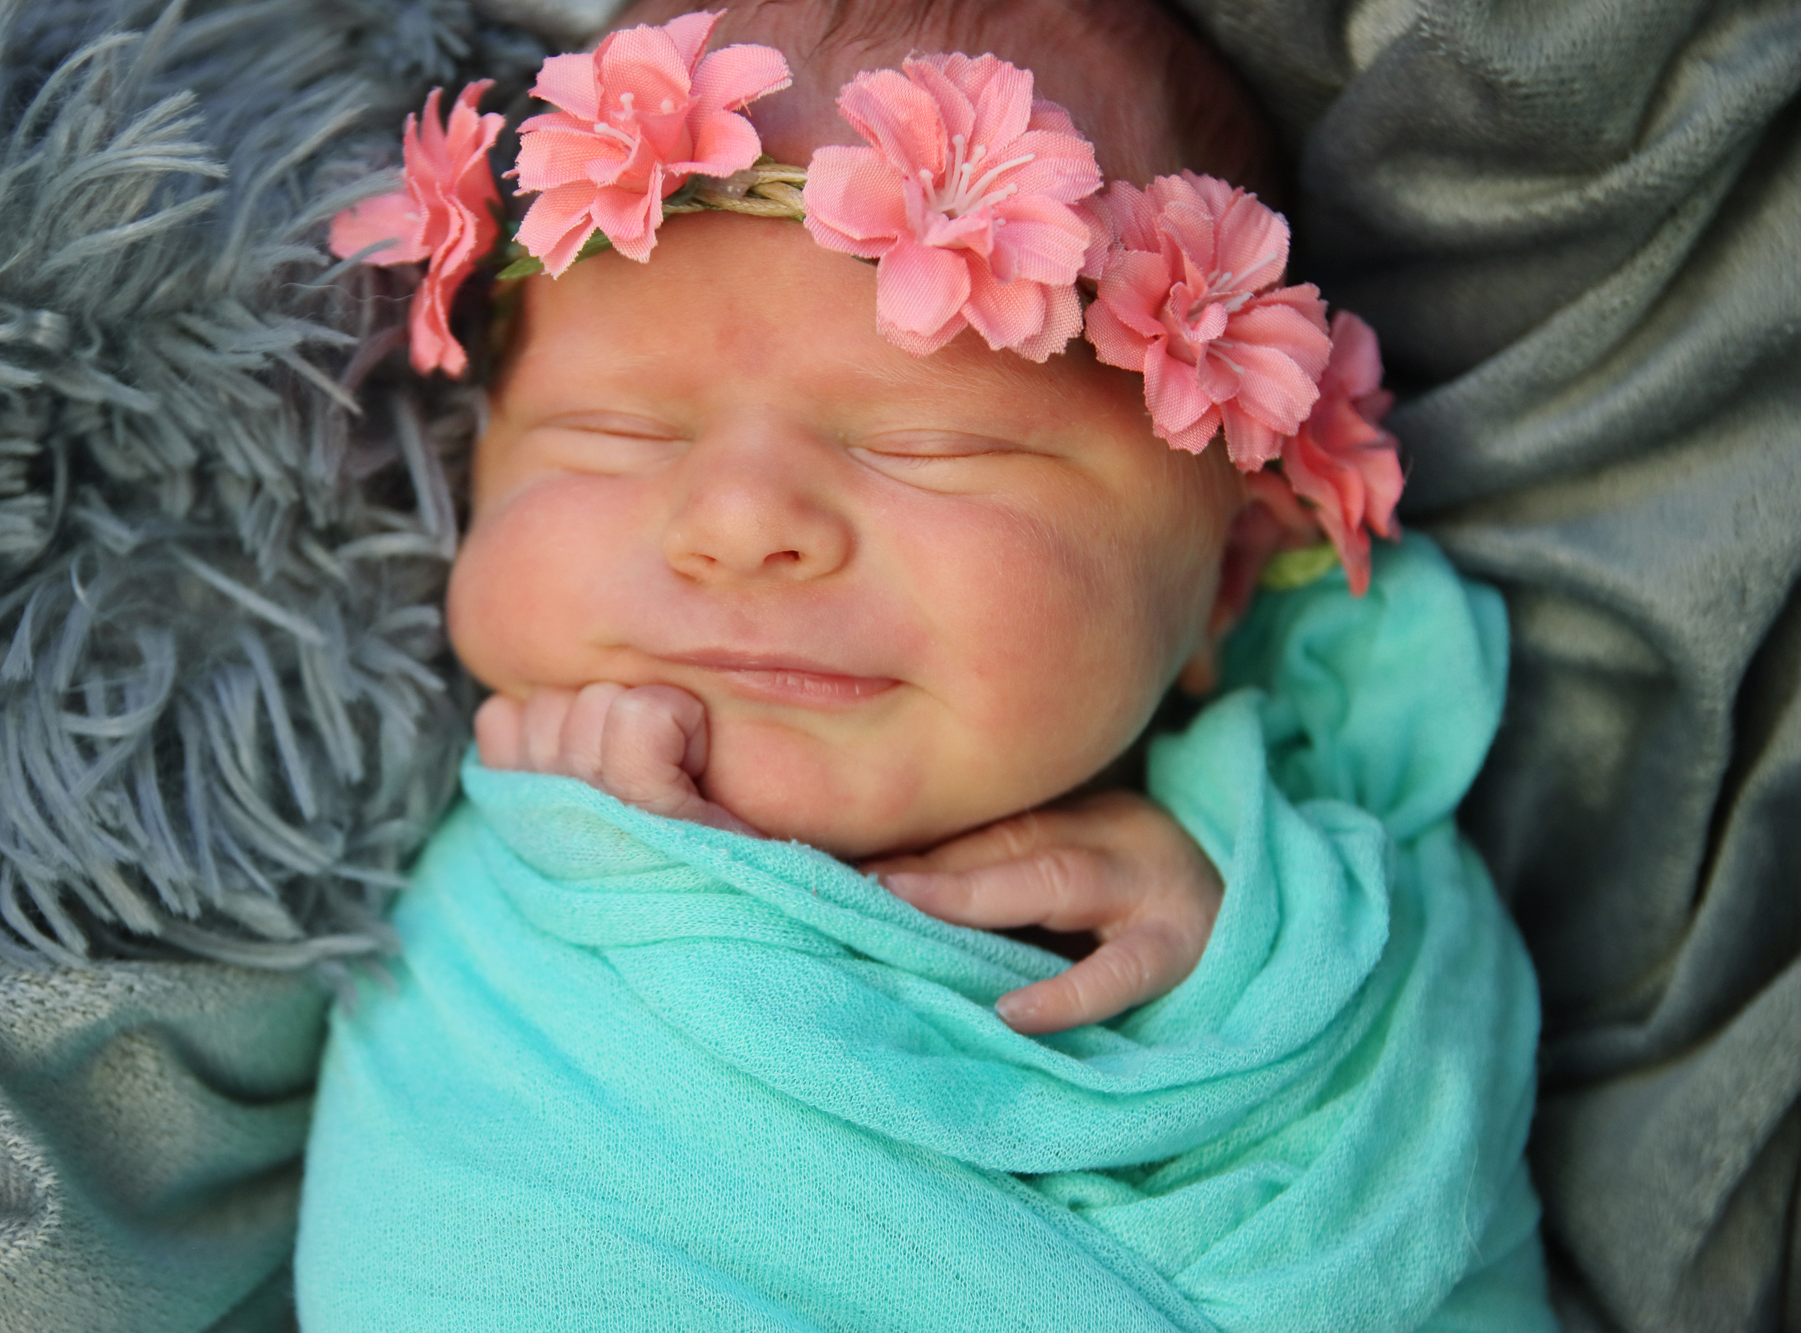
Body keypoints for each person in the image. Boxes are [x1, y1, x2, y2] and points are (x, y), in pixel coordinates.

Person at [296, 3, 1556, 1329]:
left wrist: (1254, 977)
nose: (739, 524)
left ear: (1227, 576)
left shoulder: (1296, 870)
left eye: (932, 445)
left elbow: (1421, 1150)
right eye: (613, 433)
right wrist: (625, 877)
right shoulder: (481, 925)